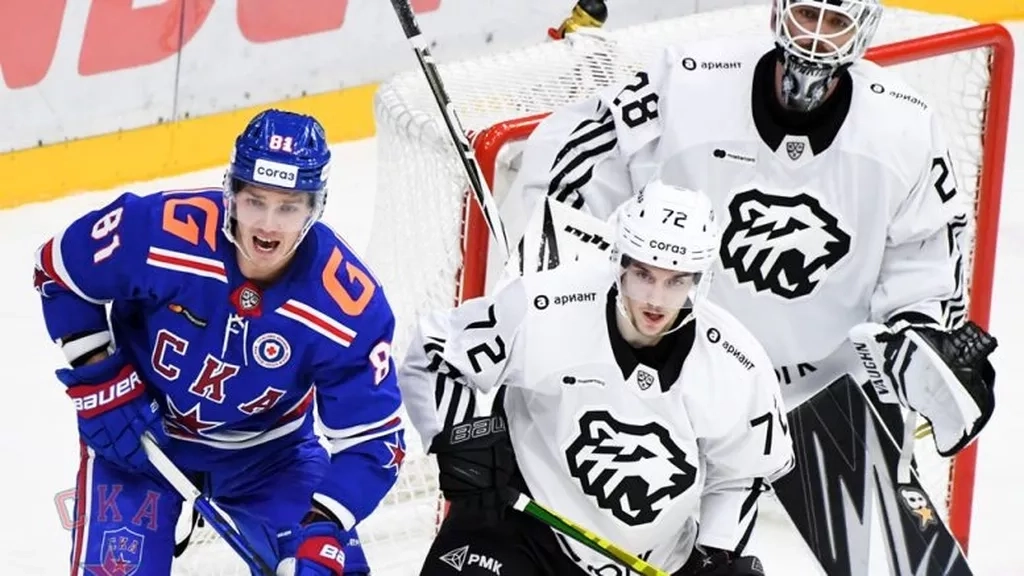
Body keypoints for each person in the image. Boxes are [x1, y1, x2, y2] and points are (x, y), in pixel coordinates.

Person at [503, 1, 998, 574]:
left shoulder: (905, 129)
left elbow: (925, 261)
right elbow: (572, 174)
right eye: (807, 13)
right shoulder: (686, 83)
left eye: (835, 22)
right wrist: (562, 296)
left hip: (828, 391)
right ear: (780, 9)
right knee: (604, 544)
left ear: (862, 29)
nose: (816, 37)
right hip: (680, 373)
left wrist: (922, 337)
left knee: (893, 564)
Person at [33, 109, 405, 575]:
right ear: (231, 192)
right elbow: (59, 271)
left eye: (288, 207)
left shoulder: (347, 306)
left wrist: (322, 527)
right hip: (137, 440)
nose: (268, 225)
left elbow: (375, 441)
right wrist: (99, 378)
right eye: (255, 201)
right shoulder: (158, 231)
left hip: (271, 458)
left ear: (316, 207)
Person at [398, 181, 794, 576]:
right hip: (520, 525)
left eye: (675, 281)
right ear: (620, 261)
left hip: (654, 563)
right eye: (643, 274)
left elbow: (741, 474)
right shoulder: (545, 306)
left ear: (698, 280)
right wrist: (460, 434)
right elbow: (436, 352)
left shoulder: (738, 364)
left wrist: (718, 556)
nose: (655, 300)